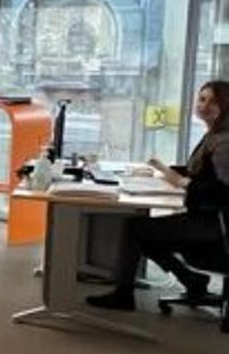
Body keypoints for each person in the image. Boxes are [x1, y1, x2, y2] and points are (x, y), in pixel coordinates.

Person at [87, 80, 229, 311]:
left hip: (216, 227)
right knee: (145, 232)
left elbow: (224, 190)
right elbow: (204, 172)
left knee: (137, 229)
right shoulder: (215, 134)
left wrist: (184, 182)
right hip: (211, 221)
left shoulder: (224, 141)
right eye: (202, 99)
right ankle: (191, 280)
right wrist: (166, 172)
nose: (203, 105)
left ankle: (123, 295)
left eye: (212, 101)